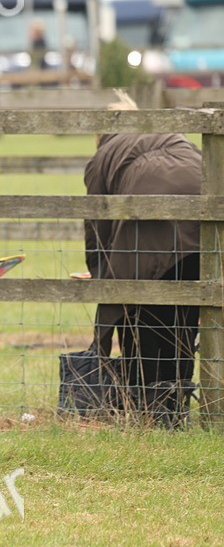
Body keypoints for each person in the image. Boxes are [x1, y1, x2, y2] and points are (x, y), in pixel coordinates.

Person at [85, 91, 200, 406]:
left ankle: (149, 406)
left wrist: (101, 277)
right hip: (204, 228)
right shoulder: (168, 133)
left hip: (150, 228)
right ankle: (175, 404)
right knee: (185, 319)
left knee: (137, 312)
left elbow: (97, 225)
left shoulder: (104, 154)